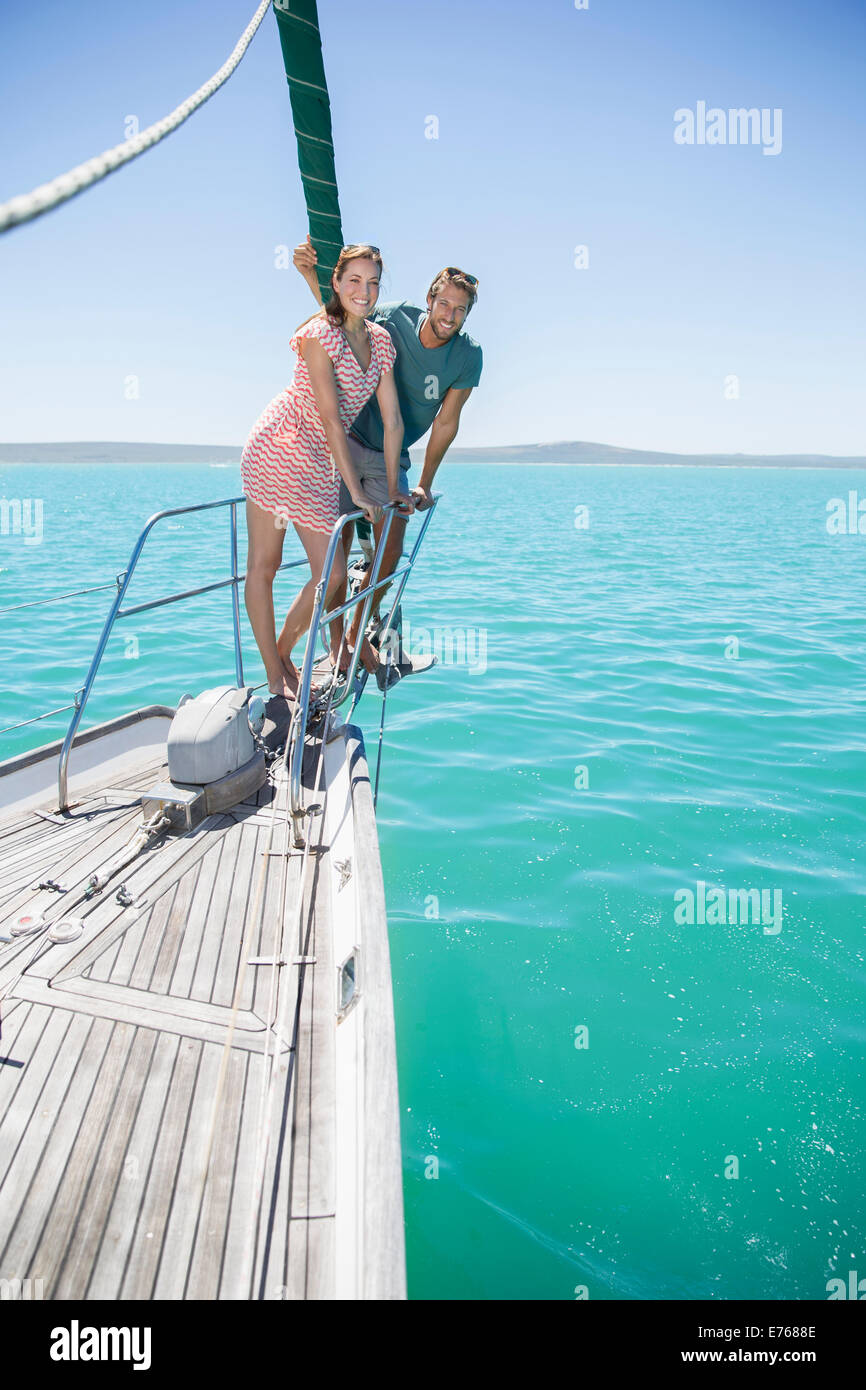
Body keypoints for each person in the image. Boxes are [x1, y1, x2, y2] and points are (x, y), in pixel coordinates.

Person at [293, 237, 482, 670]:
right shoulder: (392, 315)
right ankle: (338, 641)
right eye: (444, 304)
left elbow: (446, 424)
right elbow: (342, 318)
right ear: (429, 300)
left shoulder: (468, 356)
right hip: (346, 441)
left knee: (391, 547)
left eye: (460, 310)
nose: (449, 316)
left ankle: (361, 636)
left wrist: (424, 484)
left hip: (390, 455)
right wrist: (310, 276)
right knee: (338, 545)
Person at [240, 243, 411, 701]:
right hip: (278, 447)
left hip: (318, 460)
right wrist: (356, 489)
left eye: (373, 282)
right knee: (264, 566)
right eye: (354, 280)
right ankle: (276, 677)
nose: (365, 290)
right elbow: (331, 416)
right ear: (335, 283)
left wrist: (393, 487)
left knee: (332, 574)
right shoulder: (320, 333)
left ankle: (282, 651)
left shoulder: (381, 341)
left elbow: (392, 420)